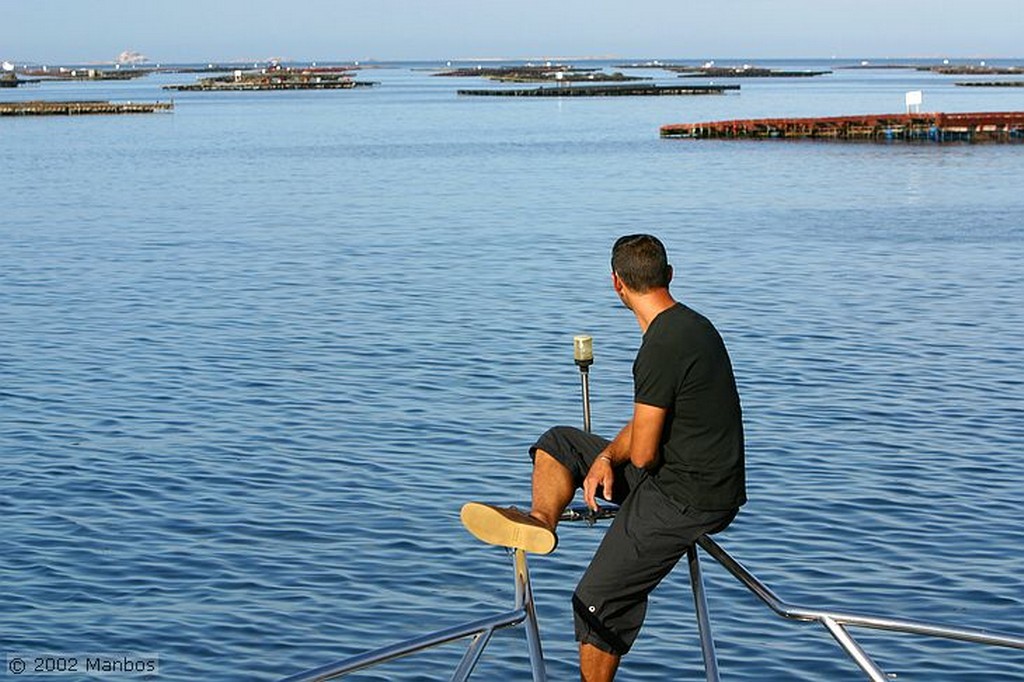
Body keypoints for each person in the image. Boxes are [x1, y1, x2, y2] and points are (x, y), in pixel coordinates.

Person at [461, 233, 746, 682]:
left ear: (616, 284)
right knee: (559, 443)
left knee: (595, 601)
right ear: (669, 275)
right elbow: (645, 427)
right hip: (691, 478)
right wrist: (606, 457)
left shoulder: (660, 347)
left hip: (687, 495)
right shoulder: (693, 326)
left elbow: (648, 451)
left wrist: (624, 472)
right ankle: (541, 520)